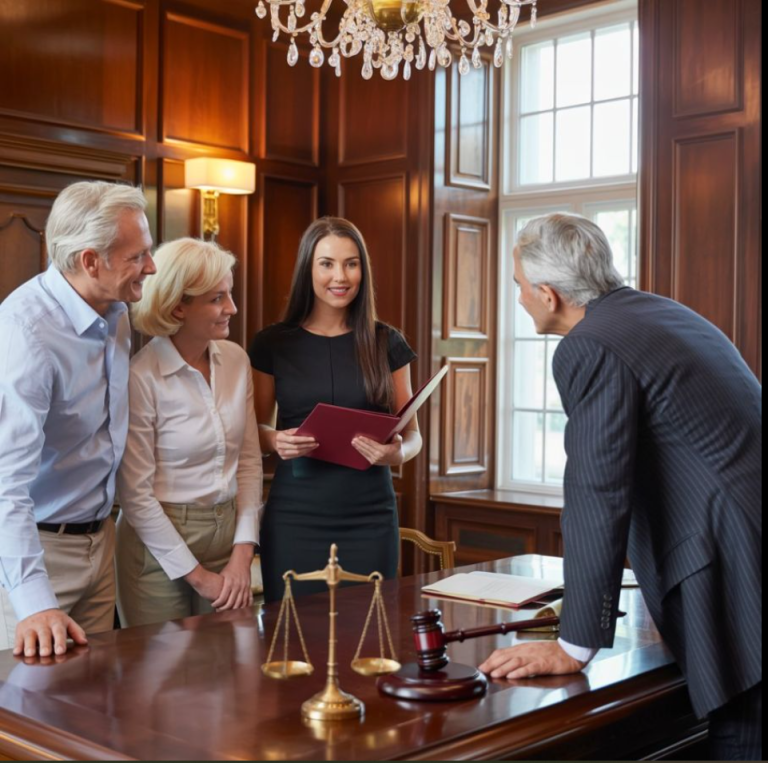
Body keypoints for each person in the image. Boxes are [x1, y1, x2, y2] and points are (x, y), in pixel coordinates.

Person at [479, 213, 762, 760]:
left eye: (518, 287)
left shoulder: (589, 345)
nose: (518, 299)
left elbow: (597, 491)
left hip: (735, 575)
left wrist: (574, 643)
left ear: (548, 293)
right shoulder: (662, 311)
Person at [0, 181, 155, 657]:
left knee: (94, 705)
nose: (150, 267)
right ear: (91, 261)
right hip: (38, 556)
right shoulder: (26, 334)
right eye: (138, 256)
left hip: (100, 542)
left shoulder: (118, 312)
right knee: (27, 713)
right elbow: (5, 484)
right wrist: (33, 602)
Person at [249, 217, 422, 602]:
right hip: (295, 515)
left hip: (371, 516)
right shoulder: (272, 343)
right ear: (307, 269)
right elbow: (255, 431)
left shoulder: (386, 342)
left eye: (351, 263)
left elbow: (413, 436)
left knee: (369, 637)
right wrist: (276, 439)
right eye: (326, 263)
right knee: (291, 641)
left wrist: (396, 453)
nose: (340, 276)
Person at [115, 238, 262, 626]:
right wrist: (199, 579)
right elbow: (135, 495)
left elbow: (248, 463)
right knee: (162, 676)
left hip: (227, 535)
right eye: (217, 299)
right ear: (178, 305)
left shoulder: (236, 360)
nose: (232, 308)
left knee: (225, 672)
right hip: (156, 546)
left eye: (229, 294)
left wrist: (242, 556)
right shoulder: (141, 377)